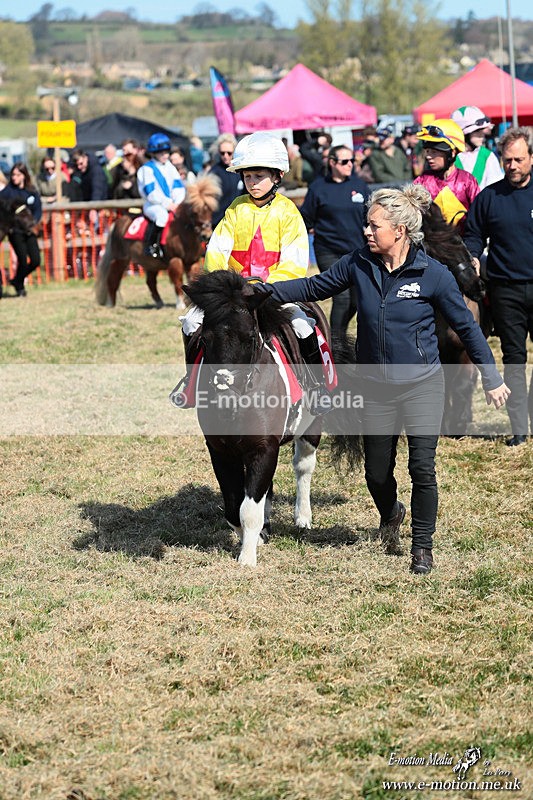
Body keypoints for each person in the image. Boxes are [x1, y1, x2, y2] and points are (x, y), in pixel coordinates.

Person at [258, 184, 510, 573]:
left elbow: (469, 329)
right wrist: (261, 293)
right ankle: (392, 511)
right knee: (376, 472)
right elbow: (313, 286)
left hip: (423, 386)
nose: (367, 232)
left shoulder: (434, 275)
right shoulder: (359, 263)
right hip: (374, 389)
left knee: (422, 468)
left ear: (400, 230)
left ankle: (421, 547)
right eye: (367, 225)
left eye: (374, 225)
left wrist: (492, 378)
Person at [180, 131, 327, 413]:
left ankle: (317, 387)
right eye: (248, 176)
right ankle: (191, 383)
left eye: (259, 176)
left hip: (272, 292)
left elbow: (295, 261)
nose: (253, 182)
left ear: (277, 176)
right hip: (234, 295)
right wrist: (225, 287)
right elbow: (216, 252)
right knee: (190, 321)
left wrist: (267, 287)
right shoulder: (235, 209)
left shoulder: (288, 212)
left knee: (303, 325)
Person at [463, 127, 533, 446]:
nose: (513, 166)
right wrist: (474, 257)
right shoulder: (489, 197)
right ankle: (519, 427)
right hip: (505, 290)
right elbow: (473, 235)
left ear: (531, 158)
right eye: (508, 160)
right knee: (514, 360)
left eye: (519, 159)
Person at [299, 144, 370, 335]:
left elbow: (369, 216)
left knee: (356, 298)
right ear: (332, 163)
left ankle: (339, 334)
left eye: (352, 161)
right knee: (342, 297)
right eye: (344, 161)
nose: (350, 165)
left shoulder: (359, 186)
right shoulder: (318, 187)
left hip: (355, 250)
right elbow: (305, 218)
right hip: (328, 250)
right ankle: (336, 344)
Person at [414, 119, 480, 233]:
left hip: (462, 246)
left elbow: (479, 216)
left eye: (434, 152)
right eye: (427, 151)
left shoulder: (467, 181)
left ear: (452, 152)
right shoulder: (422, 182)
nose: (429, 156)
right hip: (430, 246)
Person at [136, 132, 186, 259]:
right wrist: (166, 203)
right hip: (153, 205)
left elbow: (178, 187)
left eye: (166, 152)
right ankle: (152, 245)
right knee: (161, 216)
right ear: (153, 153)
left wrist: (177, 202)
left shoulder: (170, 167)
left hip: (172, 203)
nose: (165, 155)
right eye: (161, 152)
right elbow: (150, 193)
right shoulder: (146, 169)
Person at [2, 162, 42, 297]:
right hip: (15, 232)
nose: (14, 178)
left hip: (29, 230)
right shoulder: (7, 192)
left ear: (24, 176)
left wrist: (33, 223)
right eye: (13, 175)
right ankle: (19, 287)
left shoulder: (31, 192)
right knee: (23, 261)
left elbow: (37, 210)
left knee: (36, 260)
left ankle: (17, 281)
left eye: (18, 175)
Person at [451, 105, 503, 190]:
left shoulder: (488, 156)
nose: (482, 135)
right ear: (464, 133)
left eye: (482, 130)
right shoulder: (450, 157)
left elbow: (496, 190)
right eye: (477, 131)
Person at [209, 134, 243, 227]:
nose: (225, 156)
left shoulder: (241, 171)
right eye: (222, 153)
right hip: (219, 222)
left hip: (239, 221)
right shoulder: (214, 172)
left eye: (229, 153)